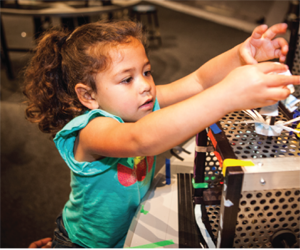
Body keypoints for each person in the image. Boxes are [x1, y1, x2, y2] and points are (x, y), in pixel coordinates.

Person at [23, 20, 299, 249]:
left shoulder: (141, 102)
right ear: (88, 95)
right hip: (85, 244)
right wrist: (228, 96)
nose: (145, 85)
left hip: (125, 231)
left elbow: (199, 81)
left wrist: (241, 53)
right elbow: (141, 139)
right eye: (127, 79)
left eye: (147, 71)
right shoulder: (89, 130)